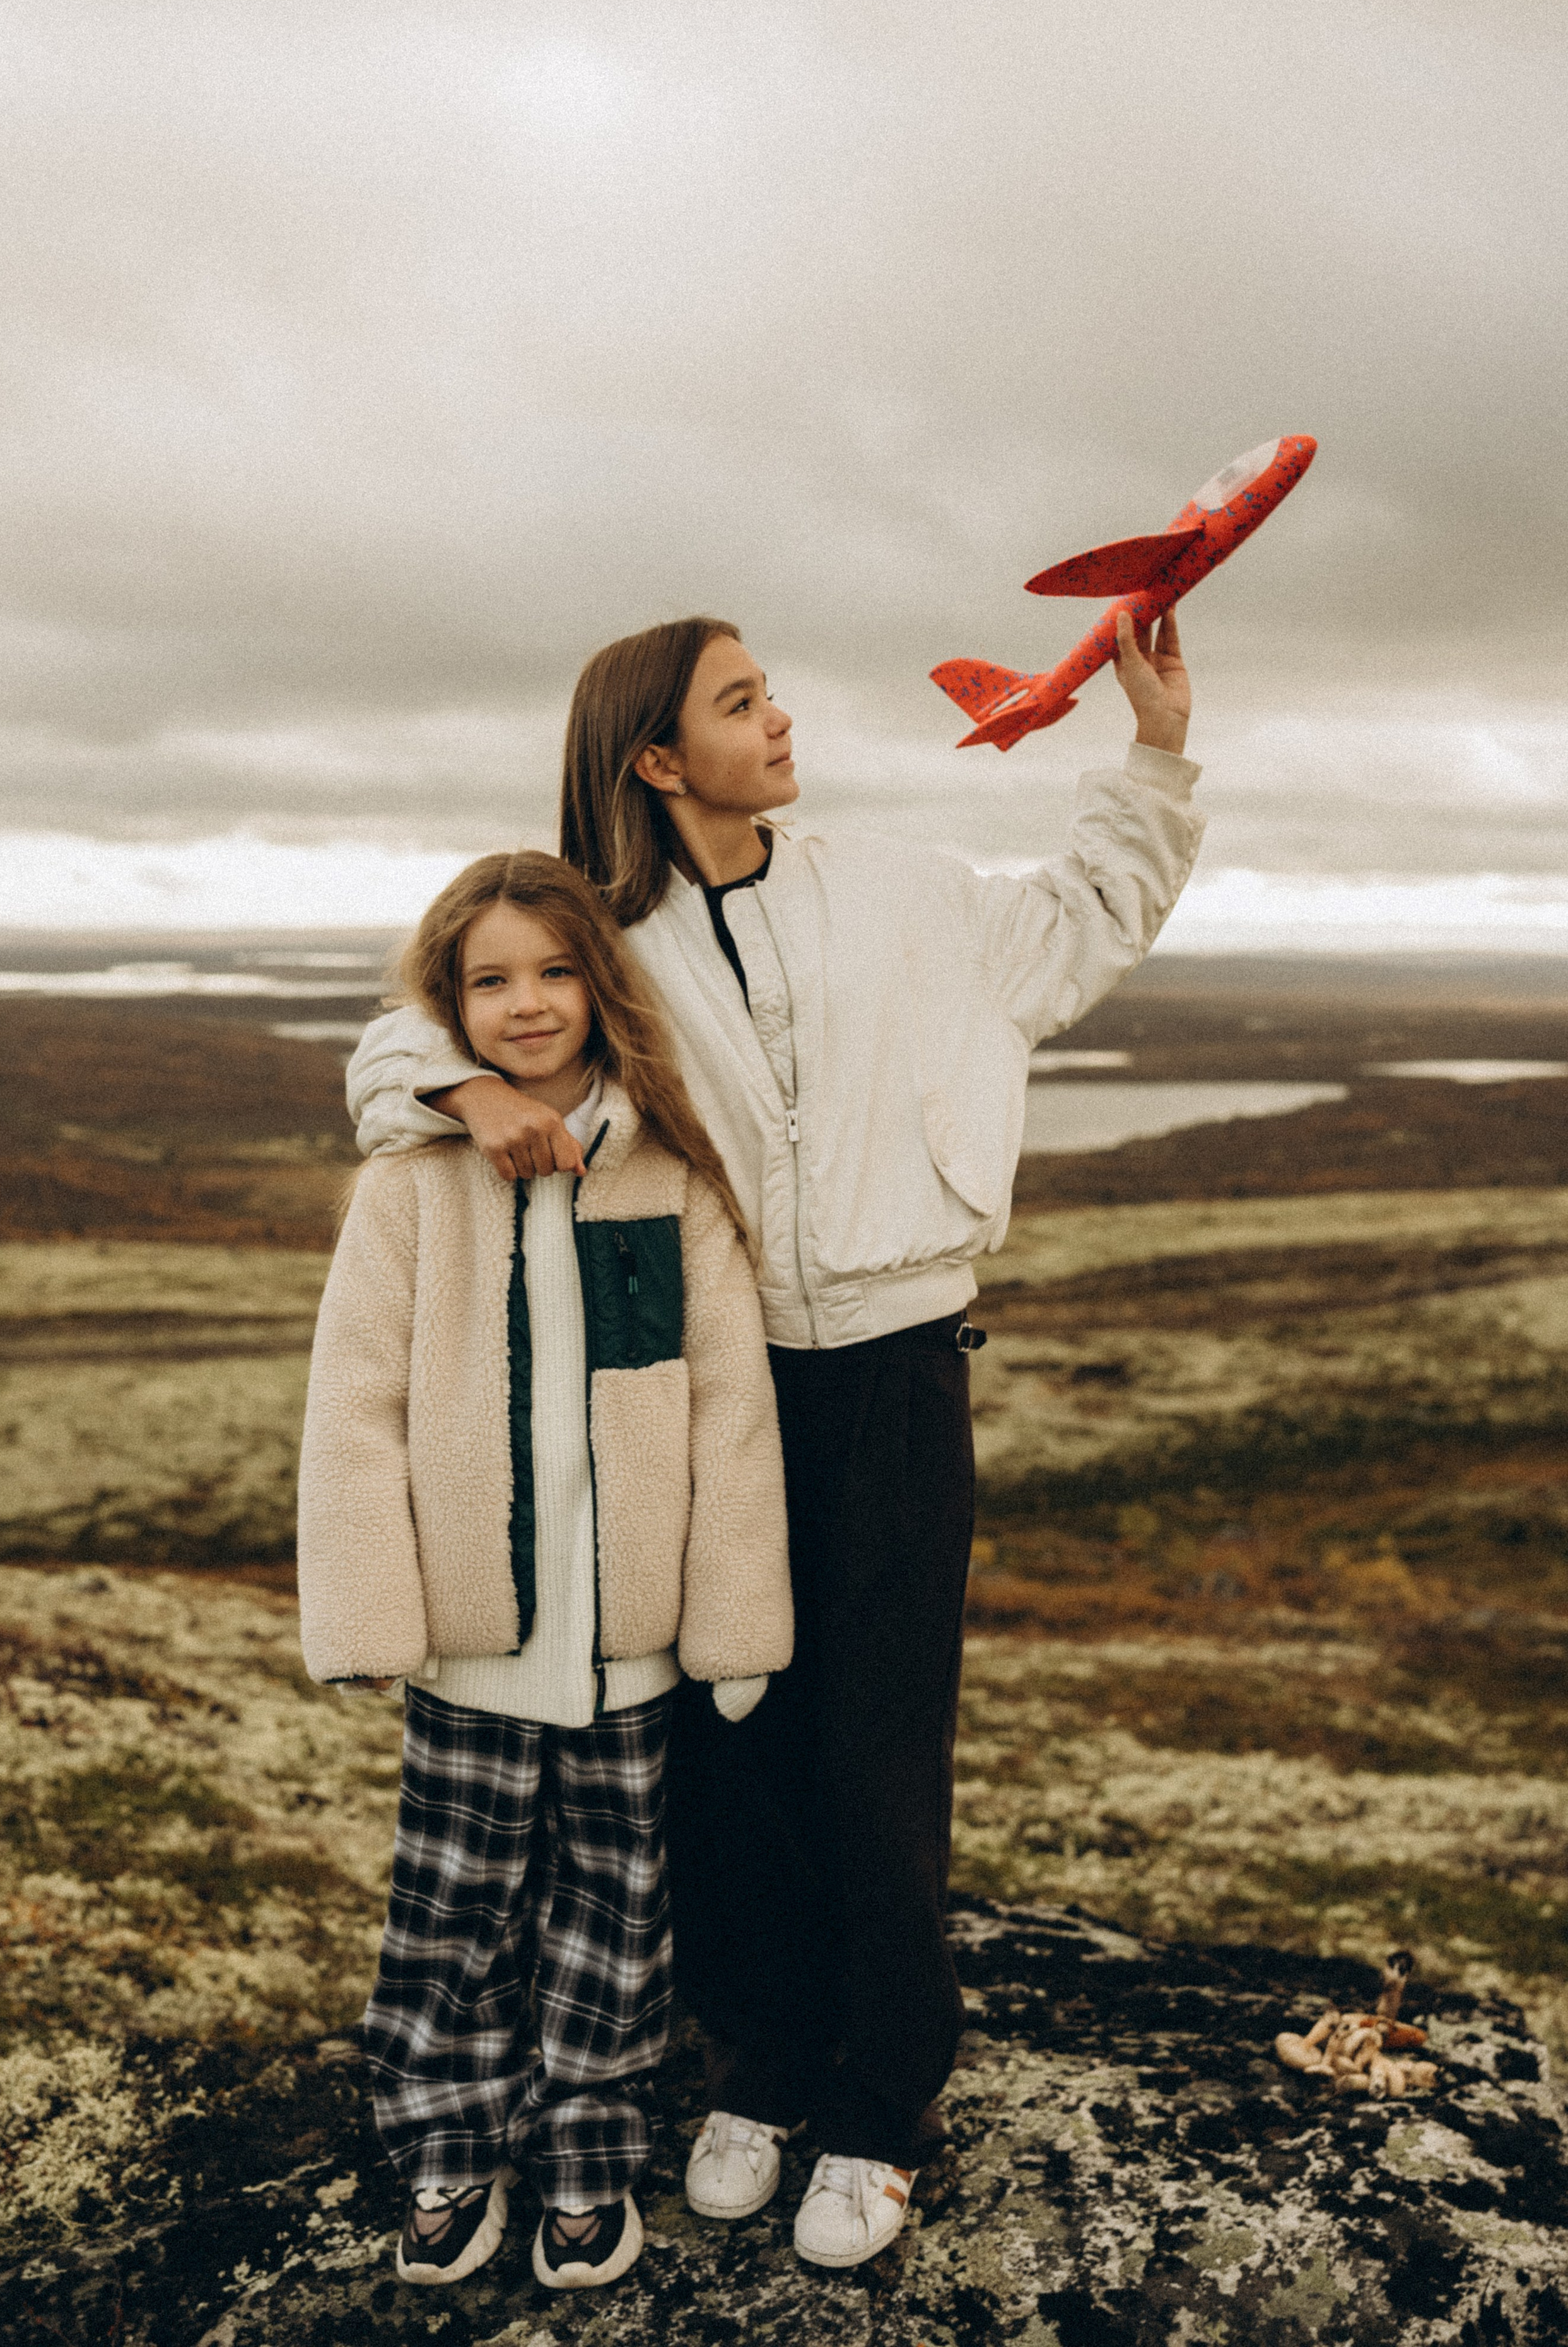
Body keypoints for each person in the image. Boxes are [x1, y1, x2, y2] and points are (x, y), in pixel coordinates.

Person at [344, 606, 1202, 2268]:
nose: (783, 719)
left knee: (876, 1745)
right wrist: (465, 1096)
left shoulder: (895, 888)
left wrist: (1156, 750)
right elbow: (402, 1031)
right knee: (726, 1744)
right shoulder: (593, 936)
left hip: (893, 1362)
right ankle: (761, 2061)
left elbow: (1088, 921)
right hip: (698, 1380)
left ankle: (880, 2104)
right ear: (660, 760)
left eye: (771, 692)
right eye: (744, 704)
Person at [298, 850, 792, 2291]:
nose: (526, 1005)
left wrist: (733, 1619)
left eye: (555, 971)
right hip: (468, 1637)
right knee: (450, 1909)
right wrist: (370, 1608)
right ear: (449, 1006)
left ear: (602, 983)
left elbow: (728, 1411)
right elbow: (355, 1405)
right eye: (489, 981)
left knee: (611, 1917)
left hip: (626, 1645)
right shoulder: (409, 1185)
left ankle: (584, 2163)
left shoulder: (668, 1176)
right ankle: (449, 2145)